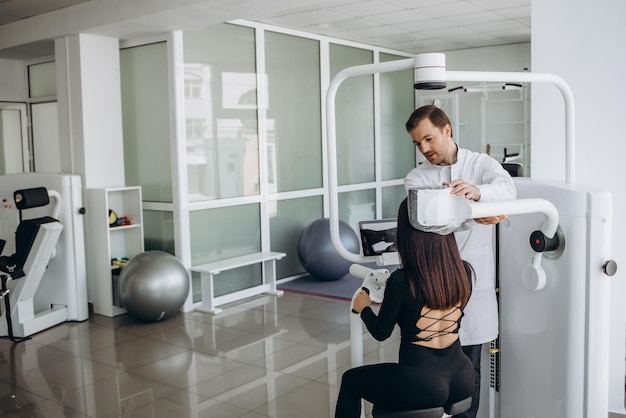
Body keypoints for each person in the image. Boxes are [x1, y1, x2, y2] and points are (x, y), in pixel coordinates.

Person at [403, 104, 516, 418]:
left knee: (469, 367)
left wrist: (478, 194)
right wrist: (475, 215)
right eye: (417, 143)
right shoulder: (416, 178)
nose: (424, 149)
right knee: (429, 366)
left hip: (475, 282)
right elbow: (430, 224)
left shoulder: (480, 164)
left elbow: (508, 188)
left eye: (428, 139)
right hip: (434, 281)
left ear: (447, 130)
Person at [335, 198, 475, 417]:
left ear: (407, 236)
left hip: (422, 384)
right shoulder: (463, 272)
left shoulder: (402, 281)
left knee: (351, 381)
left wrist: (364, 308)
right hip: (463, 377)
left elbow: (381, 333)